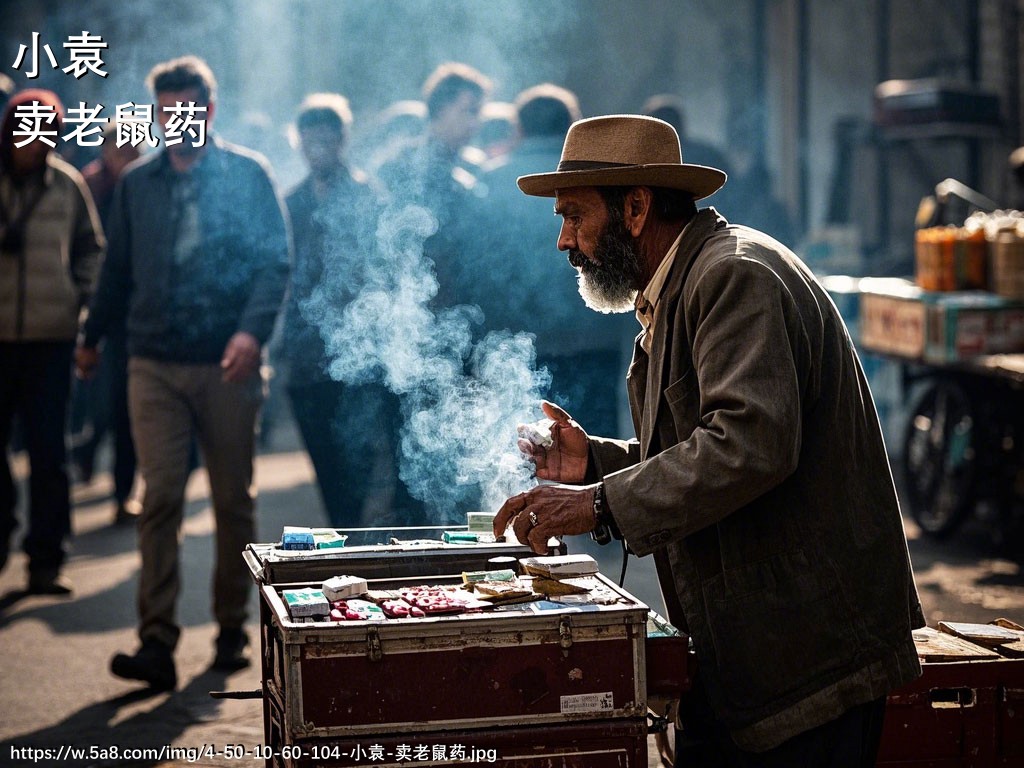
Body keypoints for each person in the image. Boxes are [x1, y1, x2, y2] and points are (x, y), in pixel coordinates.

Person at [492, 115, 924, 766]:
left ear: (635, 208)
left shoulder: (732, 275)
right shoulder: (681, 287)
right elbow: (705, 450)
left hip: (808, 663)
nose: (563, 240)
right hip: (752, 662)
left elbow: (749, 444)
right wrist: (597, 466)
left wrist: (600, 504)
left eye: (575, 216)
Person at [76, 55, 290, 690]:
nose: (177, 122)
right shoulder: (139, 185)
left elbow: (274, 264)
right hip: (154, 364)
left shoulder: (248, 175)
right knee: (160, 498)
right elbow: (116, 271)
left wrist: (252, 333)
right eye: (166, 112)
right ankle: (156, 643)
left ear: (209, 110)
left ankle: (231, 629)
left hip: (228, 364)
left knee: (232, 502)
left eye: (187, 111)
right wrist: (91, 339)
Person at [281, 93, 418, 527]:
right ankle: (344, 537)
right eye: (310, 140)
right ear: (299, 143)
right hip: (305, 361)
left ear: (342, 140)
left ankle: (355, 545)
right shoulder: (291, 203)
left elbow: (388, 275)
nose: (318, 149)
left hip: (359, 364)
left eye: (327, 139)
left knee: (357, 467)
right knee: (326, 465)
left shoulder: (368, 197)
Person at [475, 83, 632, 438]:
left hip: (516, 344)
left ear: (519, 128)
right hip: (593, 336)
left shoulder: (489, 181)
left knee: (524, 453)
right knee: (595, 448)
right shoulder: (599, 183)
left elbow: (476, 270)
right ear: (571, 128)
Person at [0, 89, 103, 594]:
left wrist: (78, 298)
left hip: (51, 339)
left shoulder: (67, 185)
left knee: (48, 452)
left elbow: (92, 247)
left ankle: (47, 558)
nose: (34, 140)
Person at [72, 124, 142, 525]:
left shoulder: (147, 184)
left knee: (126, 411)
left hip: (140, 314)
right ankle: (86, 449)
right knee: (107, 405)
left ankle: (121, 493)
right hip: (102, 311)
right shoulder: (90, 186)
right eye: (121, 148)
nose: (127, 156)